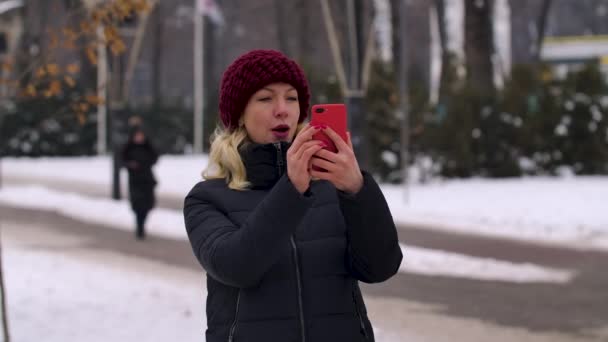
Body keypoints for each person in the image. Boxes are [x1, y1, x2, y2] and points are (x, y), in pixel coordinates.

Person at [184, 49, 402, 342]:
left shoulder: (332, 187)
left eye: (291, 98)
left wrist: (358, 191)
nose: (282, 109)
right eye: (265, 98)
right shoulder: (207, 199)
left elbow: (380, 267)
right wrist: (291, 190)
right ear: (239, 115)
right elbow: (236, 267)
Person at [123, 127, 158, 240]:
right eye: (137, 136)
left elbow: (155, 157)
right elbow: (122, 159)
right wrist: (130, 165)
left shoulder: (147, 147)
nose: (139, 138)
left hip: (147, 181)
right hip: (135, 182)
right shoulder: (129, 148)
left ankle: (141, 225)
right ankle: (140, 227)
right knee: (138, 205)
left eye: (141, 136)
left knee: (147, 205)